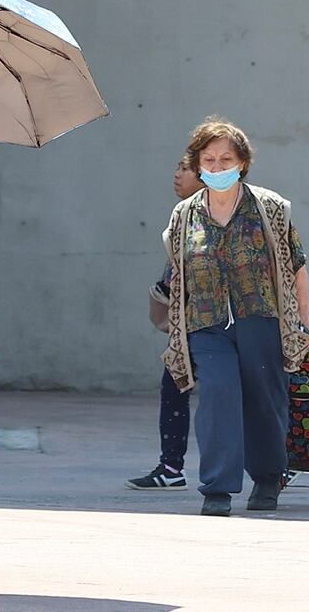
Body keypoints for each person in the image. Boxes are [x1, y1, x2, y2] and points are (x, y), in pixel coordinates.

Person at [160, 116, 309, 517]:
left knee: (265, 399)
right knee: (217, 395)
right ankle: (218, 488)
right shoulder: (184, 216)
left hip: (261, 317)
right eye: (208, 159)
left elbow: (296, 267)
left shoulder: (271, 208)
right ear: (198, 164)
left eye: (226, 159)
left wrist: (302, 325)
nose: (217, 167)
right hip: (206, 322)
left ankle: (266, 479)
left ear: (242, 162)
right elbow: (177, 273)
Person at [125, 162, 202, 491]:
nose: (176, 174)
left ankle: (277, 463)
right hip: (189, 328)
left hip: (208, 326)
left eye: (186, 169)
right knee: (174, 388)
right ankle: (171, 467)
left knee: (233, 396)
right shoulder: (184, 215)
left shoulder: (202, 217)